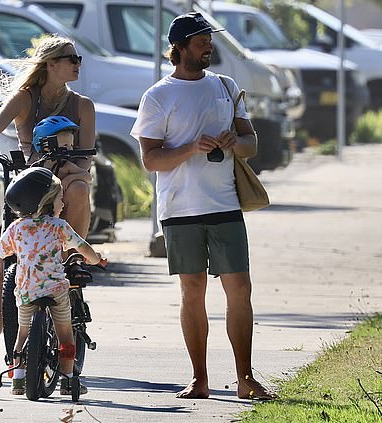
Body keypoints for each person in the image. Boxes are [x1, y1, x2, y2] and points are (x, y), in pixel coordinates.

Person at [130, 12, 275, 400]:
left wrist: (234, 143)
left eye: (209, 39)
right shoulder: (158, 95)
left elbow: (251, 143)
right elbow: (150, 160)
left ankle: (246, 378)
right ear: (178, 49)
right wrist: (191, 148)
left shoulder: (225, 86)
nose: (208, 45)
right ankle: (199, 379)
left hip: (225, 203)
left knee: (239, 288)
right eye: (200, 40)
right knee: (192, 291)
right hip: (179, 209)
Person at [0, 34, 96, 376]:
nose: (78, 63)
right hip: (28, 189)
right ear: (51, 64)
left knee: (78, 187)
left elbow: (86, 159)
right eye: (71, 58)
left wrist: (67, 169)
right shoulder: (25, 99)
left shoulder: (83, 106)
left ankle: (71, 255)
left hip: (66, 182)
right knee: (6, 275)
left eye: (79, 58)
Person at [0, 167, 104, 395]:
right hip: (55, 290)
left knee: (22, 333)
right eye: (59, 199)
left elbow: (0, 250)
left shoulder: (17, 228)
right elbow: (82, 247)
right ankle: (67, 379)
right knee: (65, 334)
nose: (62, 205)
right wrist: (96, 259)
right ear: (46, 202)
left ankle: (18, 380)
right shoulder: (59, 226)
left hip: (26, 291)